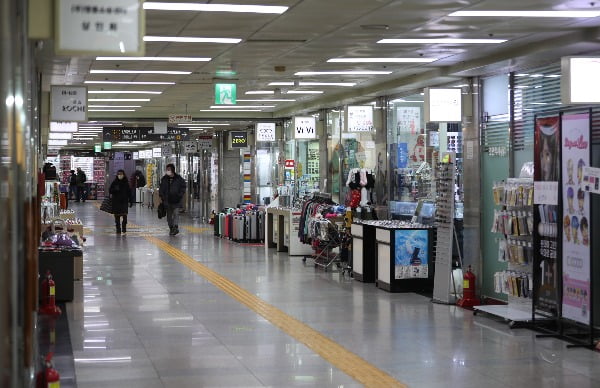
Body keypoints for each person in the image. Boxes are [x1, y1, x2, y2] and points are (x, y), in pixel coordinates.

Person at [159, 163, 186, 236]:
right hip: (167, 201)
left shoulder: (178, 179)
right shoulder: (164, 179)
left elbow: (183, 187)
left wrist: (180, 194)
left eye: (169, 169)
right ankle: (171, 228)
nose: (167, 171)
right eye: (167, 170)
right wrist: (162, 196)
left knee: (176, 214)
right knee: (169, 216)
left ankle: (175, 227)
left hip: (176, 200)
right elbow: (161, 189)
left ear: (172, 170)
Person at [109, 169, 134, 235]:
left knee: (125, 217)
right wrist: (115, 190)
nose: (120, 175)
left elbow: (129, 192)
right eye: (119, 174)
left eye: (121, 174)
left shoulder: (126, 183)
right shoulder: (114, 182)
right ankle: (118, 229)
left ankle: (124, 228)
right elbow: (110, 190)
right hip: (116, 202)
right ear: (117, 175)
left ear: (123, 175)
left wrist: (131, 201)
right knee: (117, 218)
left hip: (124, 202)